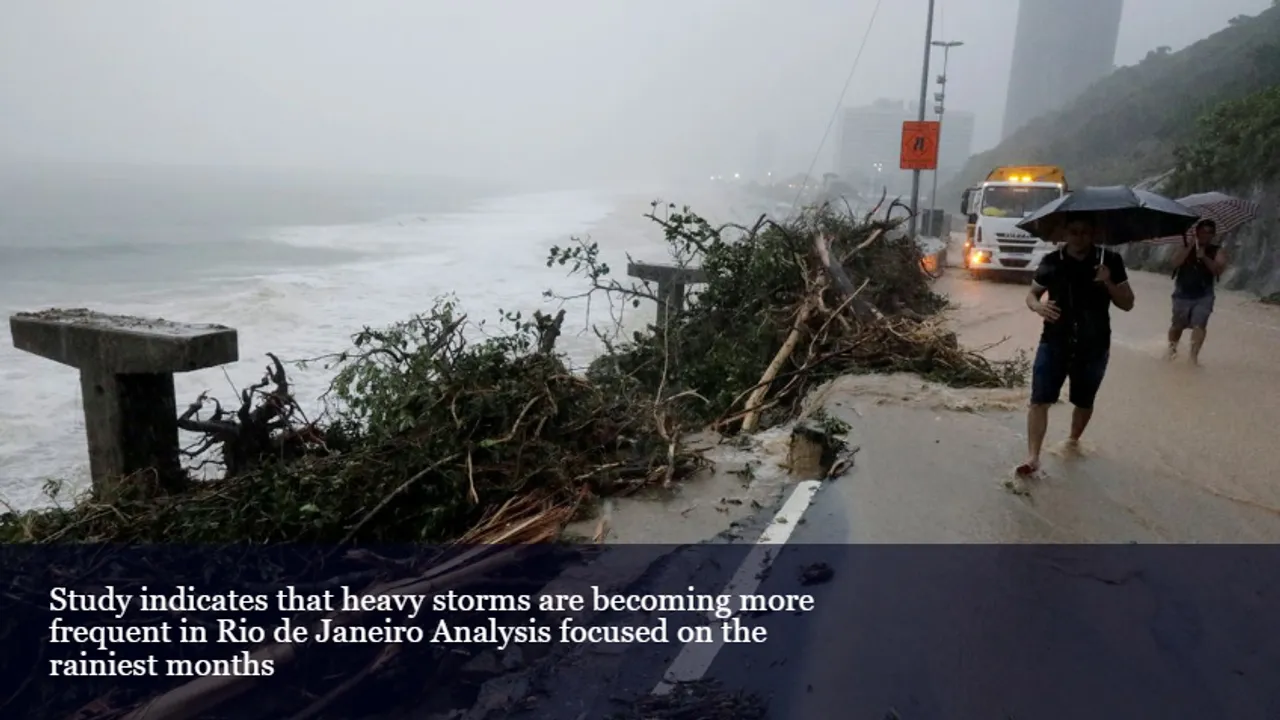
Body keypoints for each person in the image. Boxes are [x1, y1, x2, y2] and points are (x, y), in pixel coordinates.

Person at [1016, 216, 1135, 476]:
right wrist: (1038, 307)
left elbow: (1128, 303)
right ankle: (1033, 457)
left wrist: (1108, 282)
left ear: (1093, 234)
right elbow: (1032, 294)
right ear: (1065, 233)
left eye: (1084, 232)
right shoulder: (1052, 262)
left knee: (1084, 400)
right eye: (1074, 232)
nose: (1079, 237)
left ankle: (1072, 441)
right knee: (1039, 399)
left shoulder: (1110, 261)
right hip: (1054, 340)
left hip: (1094, 344)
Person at [1166, 219, 1226, 364]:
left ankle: (1193, 358)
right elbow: (1174, 263)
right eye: (1203, 232)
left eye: (1209, 233)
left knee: (1200, 324)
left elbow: (1218, 270)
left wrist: (1204, 257)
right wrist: (1190, 248)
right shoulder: (1184, 246)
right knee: (1177, 326)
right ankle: (1171, 350)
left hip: (1204, 295)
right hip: (1182, 293)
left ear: (1213, 235)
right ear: (1197, 232)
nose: (1206, 235)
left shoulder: (1217, 250)